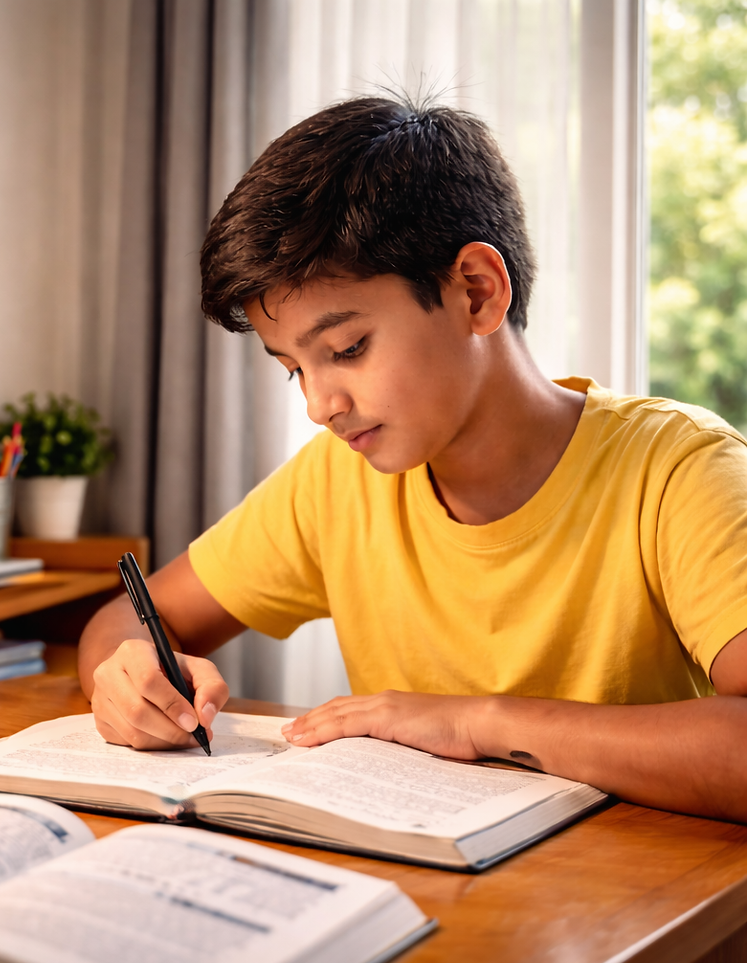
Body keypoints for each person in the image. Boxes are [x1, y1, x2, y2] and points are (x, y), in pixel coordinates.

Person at [79, 96, 747, 823]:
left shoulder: (680, 471)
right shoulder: (338, 483)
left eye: (347, 350)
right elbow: (128, 618)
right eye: (293, 368)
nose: (319, 405)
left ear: (476, 292)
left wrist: (474, 723)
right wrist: (126, 677)